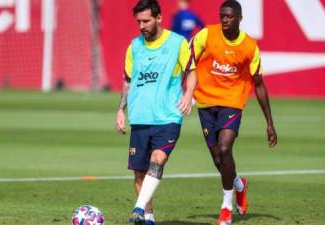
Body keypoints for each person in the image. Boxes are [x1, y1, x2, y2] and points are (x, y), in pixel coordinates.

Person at [190, 1, 277, 224]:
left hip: (232, 103)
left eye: (229, 16)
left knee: (225, 147)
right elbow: (187, 62)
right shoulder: (206, 35)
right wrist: (184, 93)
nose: (224, 20)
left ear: (239, 17)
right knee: (219, 159)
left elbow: (258, 85)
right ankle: (239, 185)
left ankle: (226, 208)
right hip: (206, 102)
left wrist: (269, 123)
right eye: (222, 16)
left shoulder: (249, 47)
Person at [115, 0, 197, 224]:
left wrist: (188, 94)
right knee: (139, 174)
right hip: (140, 117)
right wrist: (121, 110)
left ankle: (138, 209)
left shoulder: (177, 43)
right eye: (138, 21)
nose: (141, 26)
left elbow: (191, 71)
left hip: (168, 116)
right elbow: (128, 81)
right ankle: (148, 216)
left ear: (159, 18)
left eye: (146, 21)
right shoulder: (134, 46)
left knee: (158, 159)